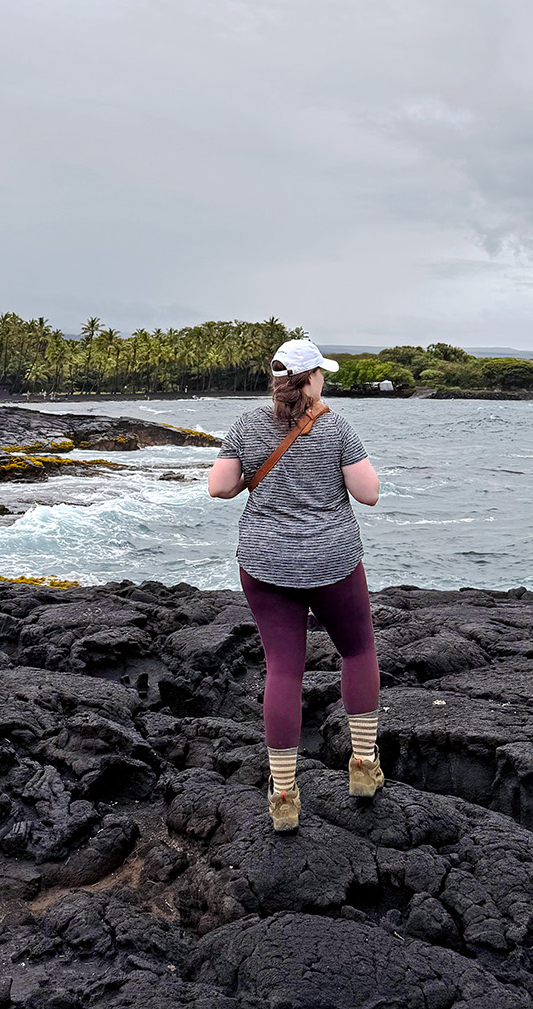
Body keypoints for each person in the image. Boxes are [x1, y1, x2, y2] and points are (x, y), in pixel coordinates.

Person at [207, 338, 383, 833]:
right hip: (333, 561)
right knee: (357, 652)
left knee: (284, 670)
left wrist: (255, 479)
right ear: (309, 380)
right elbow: (367, 494)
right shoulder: (335, 427)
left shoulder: (246, 425)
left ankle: (283, 795)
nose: (324, 379)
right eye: (321, 373)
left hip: (266, 563)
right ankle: (364, 769)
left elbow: (219, 487)